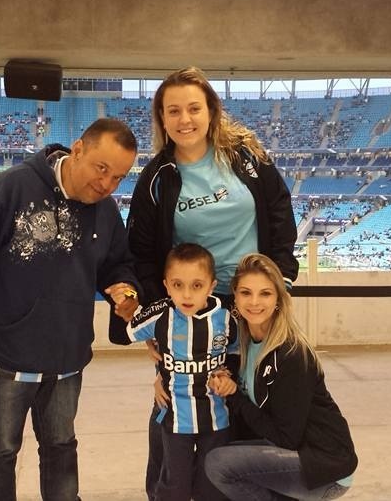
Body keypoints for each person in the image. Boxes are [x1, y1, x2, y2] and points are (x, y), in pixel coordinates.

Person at [0, 117, 142, 501]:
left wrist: (124, 287)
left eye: (119, 177)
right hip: (5, 358)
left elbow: (116, 263)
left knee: (61, 447)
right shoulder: (12, 188)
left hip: (67, 359)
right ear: (78, 149)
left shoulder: (106, 211)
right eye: (102, 169)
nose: (107, 184)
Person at [111, 66, 300, 500]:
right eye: (172, 110)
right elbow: (142, 254)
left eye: (194, 108)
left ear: (212, 111)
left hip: (254, 302)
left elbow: (279, 211)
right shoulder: (157, 177)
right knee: (177, 414)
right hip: (196, 306)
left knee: (249, 401)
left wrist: (280, 278)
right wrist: (162, 340)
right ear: (161, 118)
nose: (185, 119)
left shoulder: (246, 158)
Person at [204, 253, 358, 501]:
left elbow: (286, 438)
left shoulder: (292, 354)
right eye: (246, 293)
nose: (254, 302)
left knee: (219, 464)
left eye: (265, 293)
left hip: (323, 466)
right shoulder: (244, 341)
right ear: (235, 295)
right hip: (294, 452)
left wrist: (234, 395)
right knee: (221, 451)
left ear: (278, 299)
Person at [123, 243, 239, 500]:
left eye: (197, 286)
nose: (186, 295)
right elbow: (129, 329)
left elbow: (237, 352)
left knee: (213, 486)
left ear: (211, 285)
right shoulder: (161, 314)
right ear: (166, 286)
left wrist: (227, 376)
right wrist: (126, 303)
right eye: (178, 285)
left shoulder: (226, 317)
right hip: (175, 420)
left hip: (216, 418)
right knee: (174, 486)